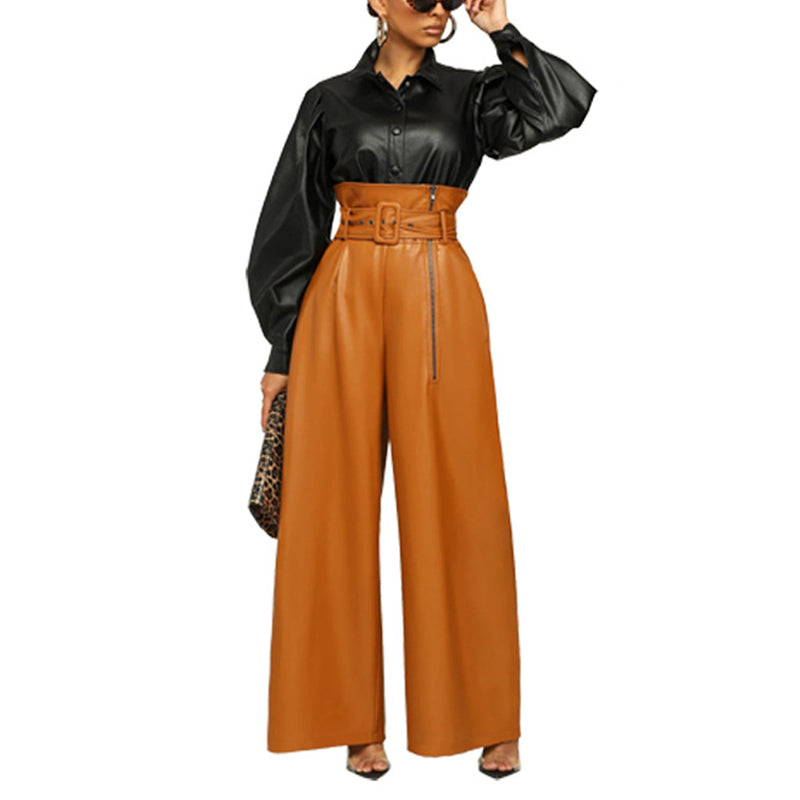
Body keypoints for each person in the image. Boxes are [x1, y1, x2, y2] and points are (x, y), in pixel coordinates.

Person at [246, 0, 596, 780]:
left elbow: (562, 107)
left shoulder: (474, 93)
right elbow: (292, 221)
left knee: (461, 501)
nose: (438, 9)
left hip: (439, 287)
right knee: (329, 508)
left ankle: (486, 718)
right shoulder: (328, 100)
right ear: (377, 1)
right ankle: (349, 722)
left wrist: (501, 31)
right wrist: (282, 350)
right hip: (341, 293)